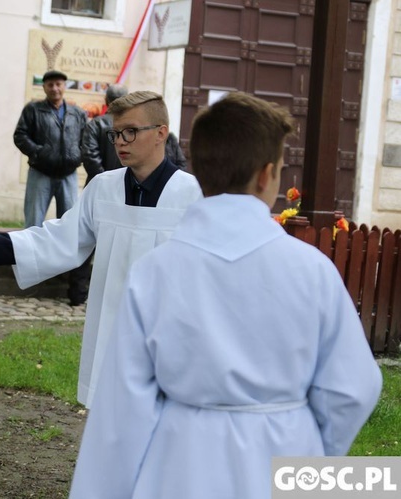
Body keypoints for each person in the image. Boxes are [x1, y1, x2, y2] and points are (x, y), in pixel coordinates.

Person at [69, 92, 382, 498]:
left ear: (201, 171)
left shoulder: (155, 273)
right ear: (267, 176)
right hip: (285, 460)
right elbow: (352, 388)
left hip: (180, 465)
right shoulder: (312, 270)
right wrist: (310, 446)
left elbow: (120, 413)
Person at [0, 91, 203, 408]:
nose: (120, 141)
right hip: (111, 325)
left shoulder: (193, 195)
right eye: (115, 133)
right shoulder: (103, 188)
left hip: (167, 330)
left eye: (131, 132)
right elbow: (60, 239)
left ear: (161, 133)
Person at [13, 69, 90, 306]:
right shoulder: (33, 110)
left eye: (58, 84)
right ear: (44, 88)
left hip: (68, 174)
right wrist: (38, 152)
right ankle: (30, 276)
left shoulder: (77, 113)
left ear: (65, 86)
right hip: (41, 173)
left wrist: (77, 156)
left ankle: (62, 271)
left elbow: (85, 139)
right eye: (50, 85)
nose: (54, 89)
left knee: (69, 224)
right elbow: (20, 136)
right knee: (33, 223)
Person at [80, 84, 128, 183]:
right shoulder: (134, 125)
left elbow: (90, 157)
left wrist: (105, 180)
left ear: (106, 99)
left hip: (98, 185)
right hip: (125, 184)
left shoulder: (95, 124)